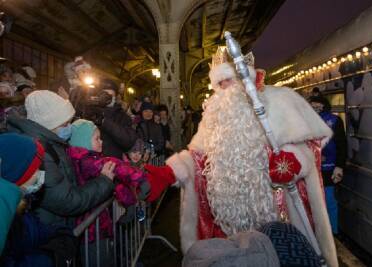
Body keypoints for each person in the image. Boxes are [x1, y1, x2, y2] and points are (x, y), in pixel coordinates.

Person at [146, 47, 338, 266]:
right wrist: (169, 173)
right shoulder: (213, 116)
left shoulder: (276, 102)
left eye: (228, 81)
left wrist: (292, 162)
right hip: (226, 222)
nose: (224, 90)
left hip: (275, 215)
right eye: (219, 84)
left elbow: (307, 147)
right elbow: (199, 158)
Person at [6, 90, 115, 227]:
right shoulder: (39, 152)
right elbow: (67, 201)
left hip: (57, 226)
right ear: (48, 124)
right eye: (64, 125)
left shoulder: (53, 141)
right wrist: (104, 182)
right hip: (50, 232)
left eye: (70, 122)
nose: (69, 128)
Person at [0, 133, 73, 266]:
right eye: (37, 168)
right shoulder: (5, 218)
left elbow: (41, 231)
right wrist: (51, 259)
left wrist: (62, 236)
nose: (41, 173)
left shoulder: (22, 209)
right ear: (20, 174)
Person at [309, 95, 346, 235]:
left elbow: (342, 144)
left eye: (318, 105)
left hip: (329, 168)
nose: (315, 107)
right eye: (312, 105)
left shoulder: (334, 120)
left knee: (329, 200)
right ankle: (319, 232)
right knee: (315, 202)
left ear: (324, 105)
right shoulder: (305, 121)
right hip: (311, 168)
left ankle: (332, 232)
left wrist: (339, 166)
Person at [95, 79, 140, 159]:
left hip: (113, 164)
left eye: (111, 96)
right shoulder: (91, 112)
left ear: (115, 97)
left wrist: (104, 121)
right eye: (105, 95)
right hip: (92, 164)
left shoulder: (123, 116)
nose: (107, 99)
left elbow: (129, 141)